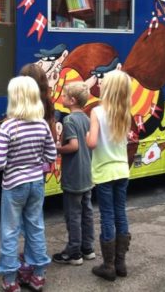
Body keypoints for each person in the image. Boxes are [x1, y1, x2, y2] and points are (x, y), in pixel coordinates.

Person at [0, 76, 57, 292]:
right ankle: (37, 275)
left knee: (10, 230)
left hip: (13, 185)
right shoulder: (42, 125)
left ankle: (11, 279)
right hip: (36, 183)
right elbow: (51, 155)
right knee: (35, 226)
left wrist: (13, 162)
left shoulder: (8, 127)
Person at [86, 69, 132, 282]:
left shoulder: (97, 112)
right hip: (122, 170)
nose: (100, 83)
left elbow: (92, 143)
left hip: (105, 172)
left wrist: (87, 134)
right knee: (120, 213)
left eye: (103, 81)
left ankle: (108, 265)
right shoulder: (125, 112)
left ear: (109, 89)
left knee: (107, 215)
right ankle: (121, 263)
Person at [52, 82, 95, 265]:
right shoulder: (86, 118)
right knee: (87, 212)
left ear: (72, 100)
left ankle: (74, 252)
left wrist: (57, 149)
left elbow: (74, 146)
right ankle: (88, 248)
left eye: (64, 95)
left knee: (73, 215)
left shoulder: (69, 120)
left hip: (73, 175)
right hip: (87, 174)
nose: (61, 97)